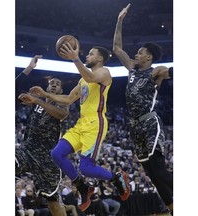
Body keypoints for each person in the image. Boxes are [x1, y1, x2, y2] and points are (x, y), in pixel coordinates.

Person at [29, 44, 130, 212]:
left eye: (91, 54)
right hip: (81, 123)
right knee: (56, 153)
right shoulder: (83, 80)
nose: (87, 56)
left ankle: (116, 177)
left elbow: (91, 77)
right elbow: (68, 99)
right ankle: (83, 187)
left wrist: (75, 58)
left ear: (99, 59)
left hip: (95, 123)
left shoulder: (105, 72)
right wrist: (44, 95)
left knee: (86, 168)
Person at [112, 3, 173, 215]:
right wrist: (119, 21)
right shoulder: (131, 69)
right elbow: (117, 48)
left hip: (149, 123)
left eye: (140, 52)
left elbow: (170, 72)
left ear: (149, 57)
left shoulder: (156, 71)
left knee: (160, 171)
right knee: (152, 175)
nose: (136, 54)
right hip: (134, 127)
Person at [15, 55, 69, 216]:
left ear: (61, 90)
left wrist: (37, 100)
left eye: (57, 84)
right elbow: (14, 87)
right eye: (51, 83)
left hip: (47, 157)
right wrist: (29, 68)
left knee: (53, 202)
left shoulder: (62, 101)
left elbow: (61, 114)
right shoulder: (36, 99)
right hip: (28, 149)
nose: (53, 85)